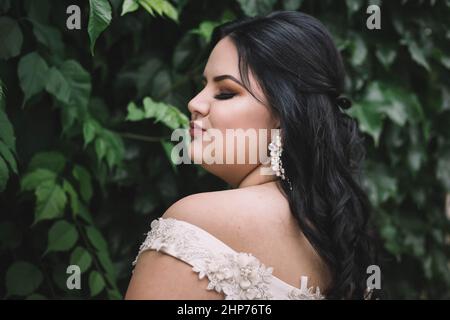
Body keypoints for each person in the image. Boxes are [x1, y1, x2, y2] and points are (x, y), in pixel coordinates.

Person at [125, 10, 376, 300]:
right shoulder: (341, 240)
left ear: (283, 114)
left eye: (225, 92)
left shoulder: (198, 219)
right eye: (202, 86)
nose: (194, 103)